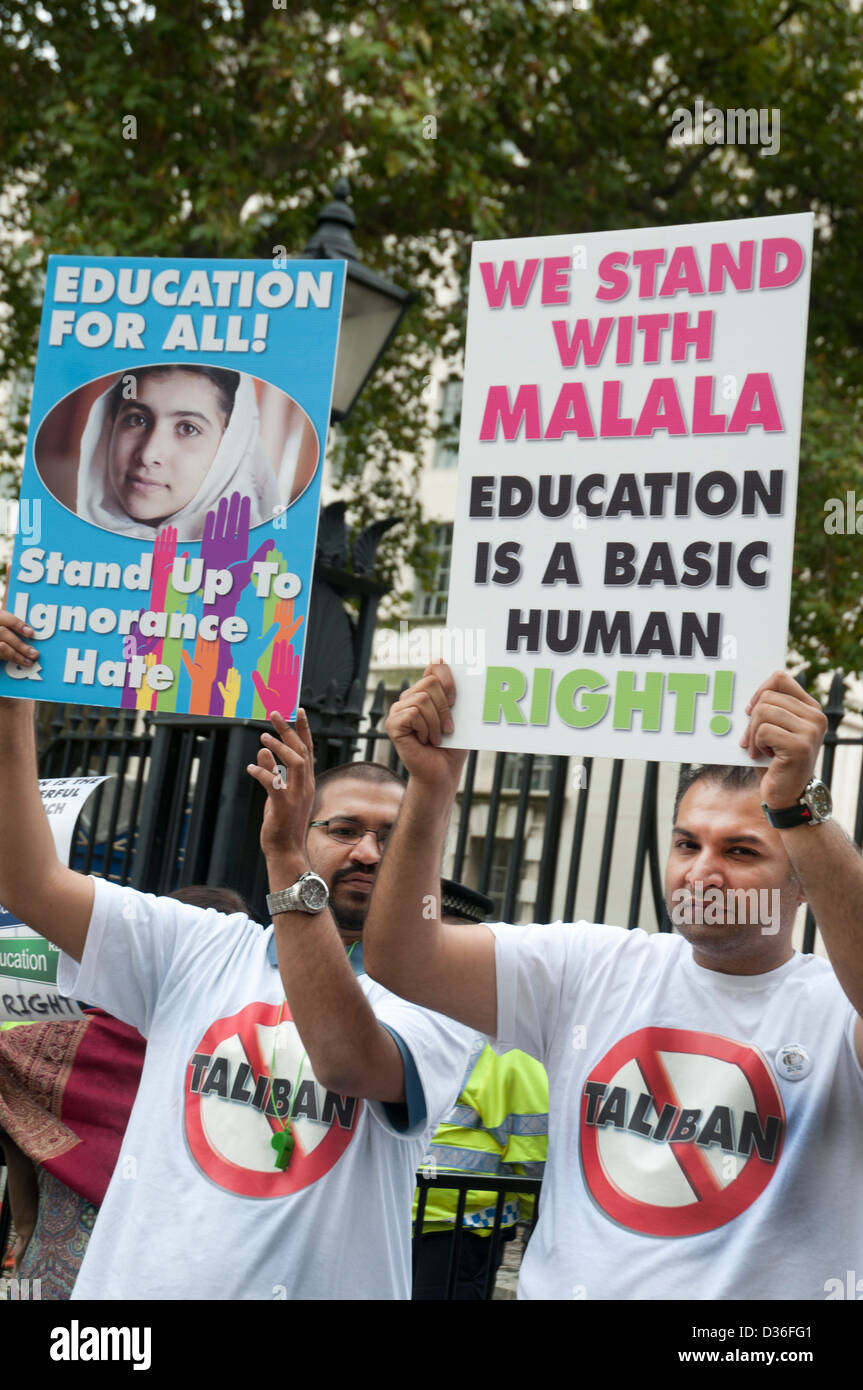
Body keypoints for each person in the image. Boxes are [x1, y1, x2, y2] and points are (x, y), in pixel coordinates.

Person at [0, 612, 472, 1300]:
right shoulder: (197, 947)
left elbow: (344, 1060)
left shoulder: (437, 991)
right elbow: (28, 881)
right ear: (303, 827)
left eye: (390, 837)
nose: (367, 852)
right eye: (342, 829)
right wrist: (12, 709)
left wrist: (286, 864)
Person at [364, 661, 863, 1301]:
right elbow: (403, 955)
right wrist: (431, 790)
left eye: (741, 851)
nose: (702, 873)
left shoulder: (836, 1009)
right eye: (687, 844)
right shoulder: (593, 965)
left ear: (802, 880)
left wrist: (802, 812)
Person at [0, 886, 249, 1299]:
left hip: (59, 1264)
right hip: (187, 1269)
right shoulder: (248, 1060)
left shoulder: (64, 1043)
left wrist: (25, 1224)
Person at [412, 878, 548, 1301]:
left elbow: (536, 1156)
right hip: (378, 1217)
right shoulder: (381, 1011)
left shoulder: (505, 1042)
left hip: (458, 1235)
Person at [74, 365, 280, 539]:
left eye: (188, 428)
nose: (148, 455)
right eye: (137, 420)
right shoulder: (65, 540)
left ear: (230, 449)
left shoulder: (251, 569)